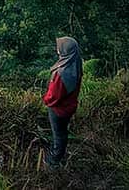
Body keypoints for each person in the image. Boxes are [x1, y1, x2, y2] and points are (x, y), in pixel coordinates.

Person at [42, 36, 83, 168]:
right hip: (69, 106)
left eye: (60, 48)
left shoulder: (62, 73)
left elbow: (54, 96)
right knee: (62, 132)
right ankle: (59, 152)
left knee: (58, 134)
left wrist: (46, 99)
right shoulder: (76, 64)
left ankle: (54, 160)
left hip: (58, 109)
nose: (57, 50)